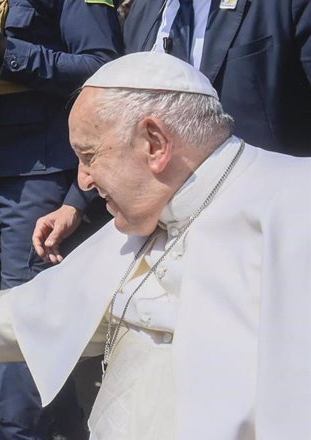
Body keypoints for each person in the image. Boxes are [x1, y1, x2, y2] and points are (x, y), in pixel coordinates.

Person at [0, 52, 311, 440]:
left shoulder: (295, 207)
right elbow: (42, 311)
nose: (81, 182)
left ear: (155, 143)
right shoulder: (150, 211)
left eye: (89, 155)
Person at [0, 0, 122, 440]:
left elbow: (103, 68)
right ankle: (67, 436)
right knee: (27, 312)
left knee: (21, 318)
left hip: (35, 175)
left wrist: (2, 47)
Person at [33, 0, 311, 259]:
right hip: (169, 242)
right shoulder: (144, 12)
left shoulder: (284, 6)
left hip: (266, 231)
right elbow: (123, 120)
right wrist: (76, 204)